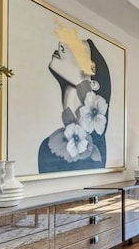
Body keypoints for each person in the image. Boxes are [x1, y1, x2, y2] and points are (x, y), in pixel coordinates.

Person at [38, 22, 111, 173]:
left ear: (93, 77)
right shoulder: (50, 145)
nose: (61, 46)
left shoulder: (92, 146)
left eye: (77, 50)